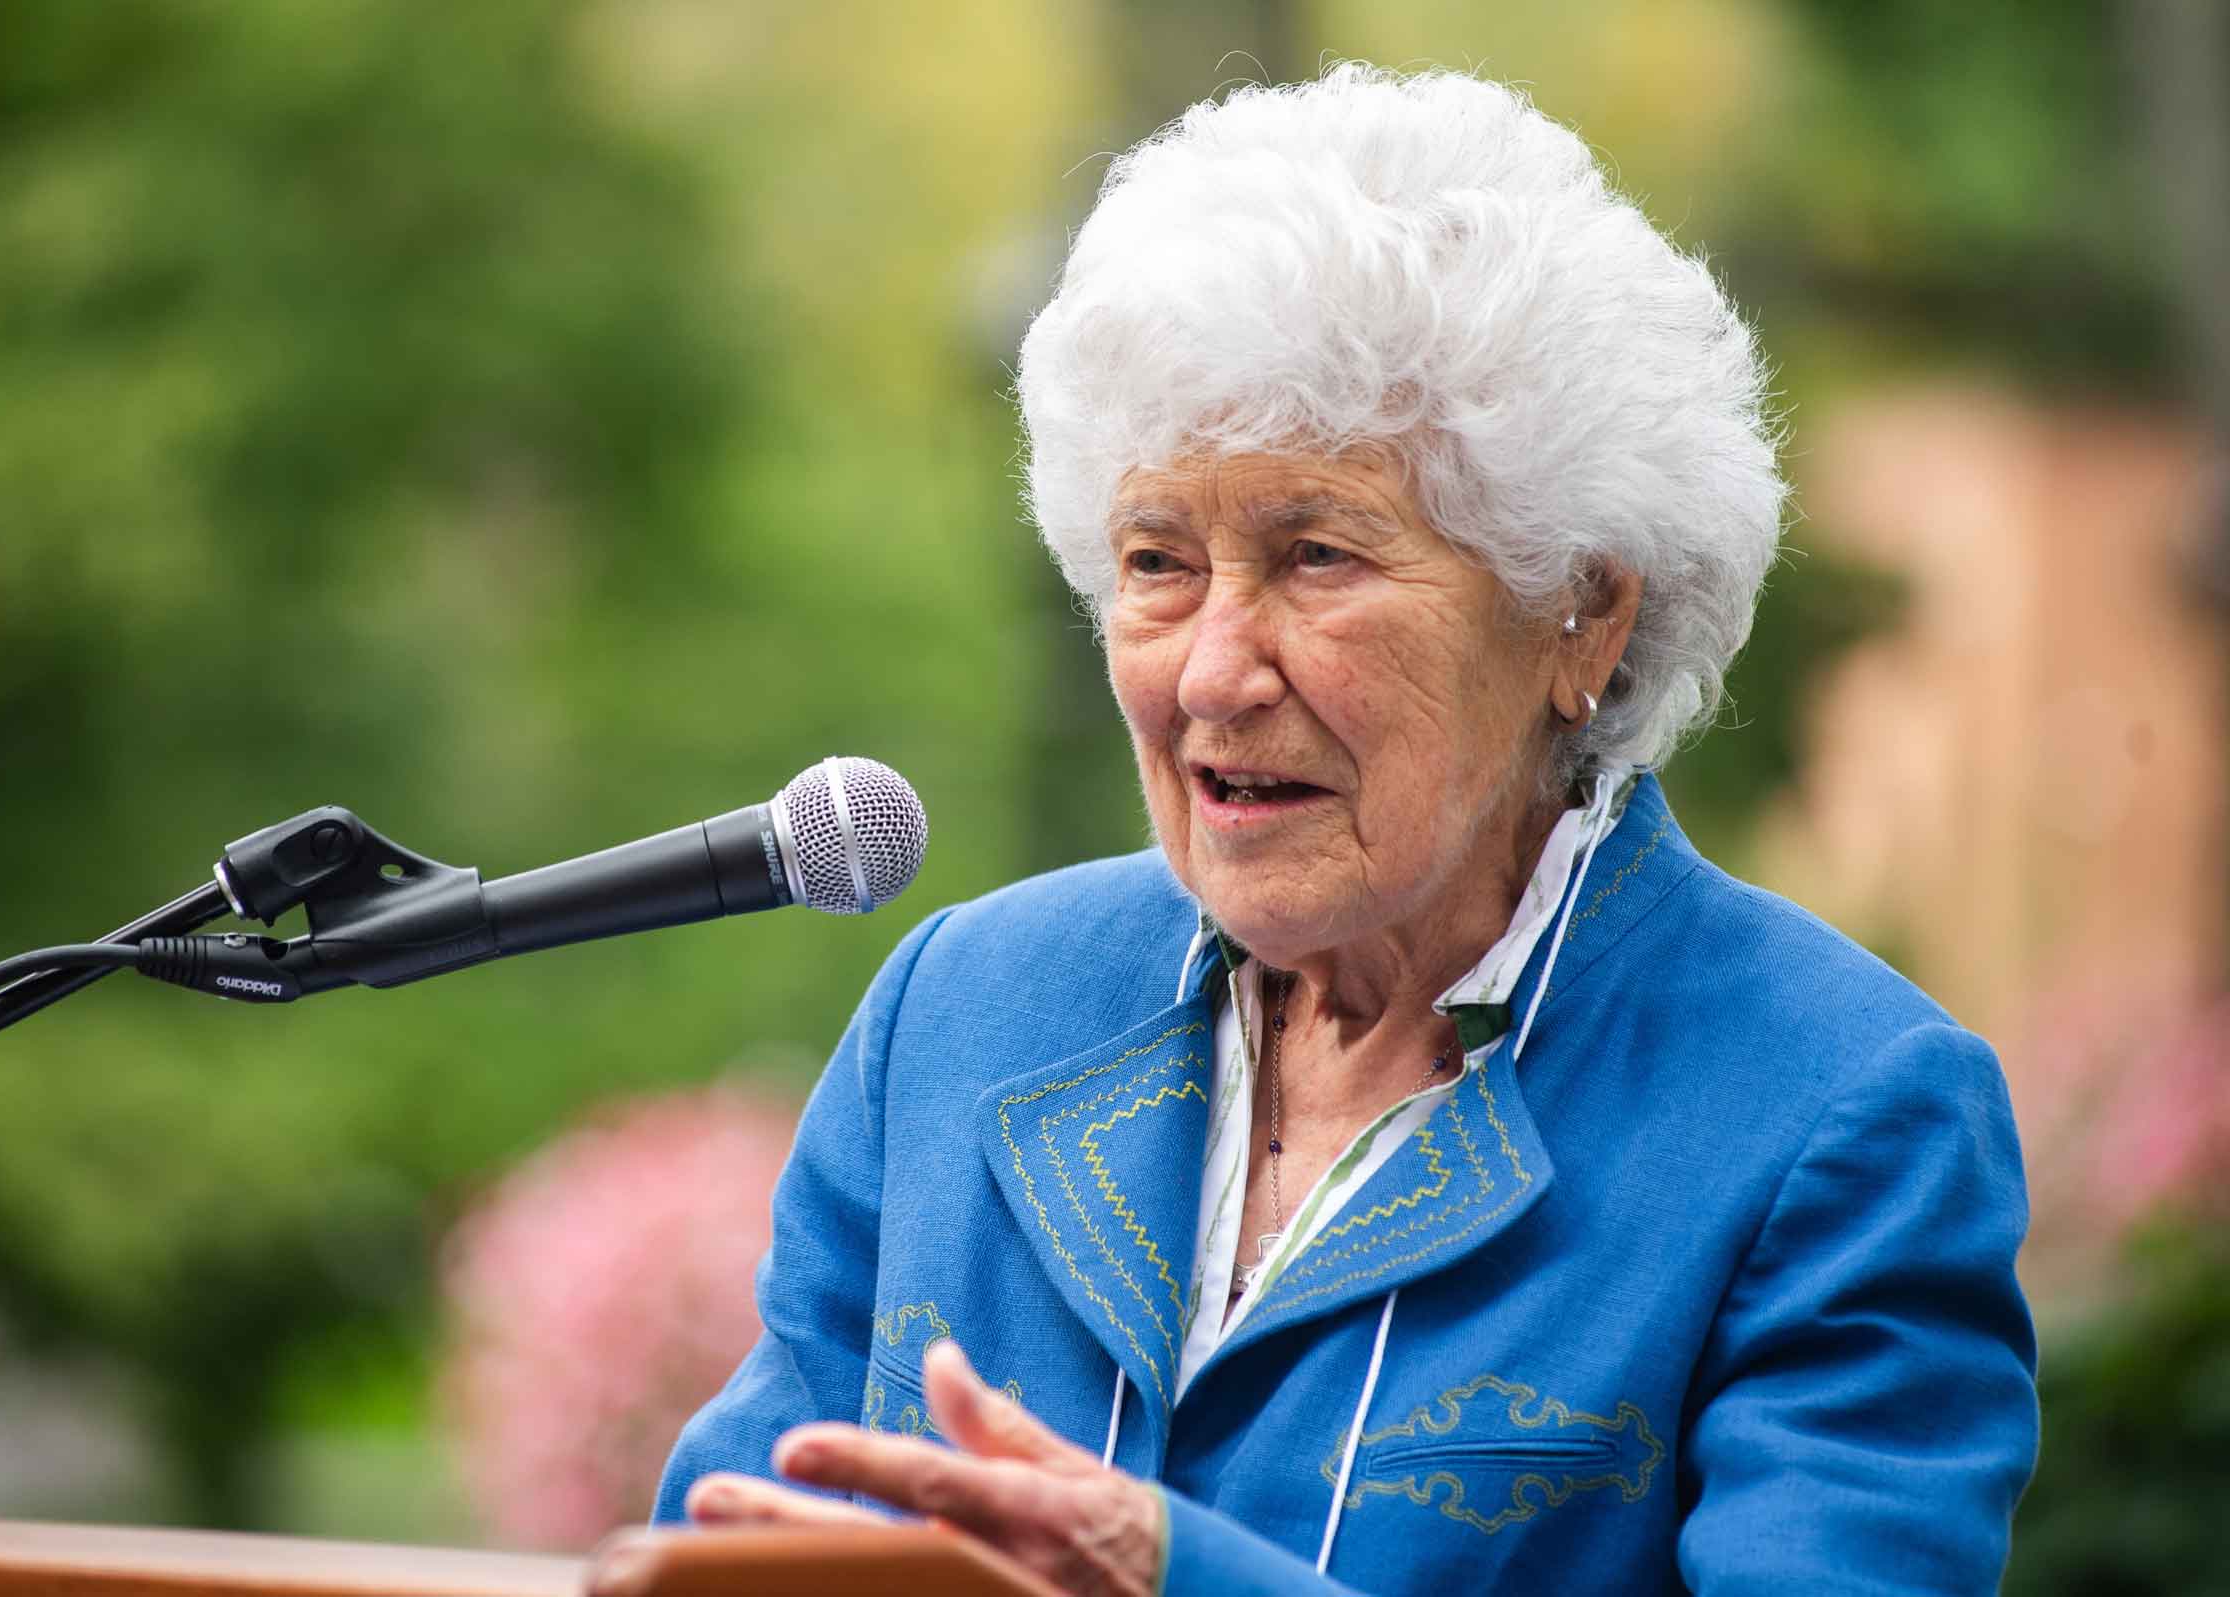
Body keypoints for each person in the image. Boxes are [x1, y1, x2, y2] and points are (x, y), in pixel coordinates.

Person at [647, 65, 2038, 1595]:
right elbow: (717, 1545)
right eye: (1157, 561)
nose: (1214, 668)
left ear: (1582, 612)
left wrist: (1178, 1576)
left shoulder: (1833, 1115)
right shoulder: (963, 1013)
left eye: (1317, 556)